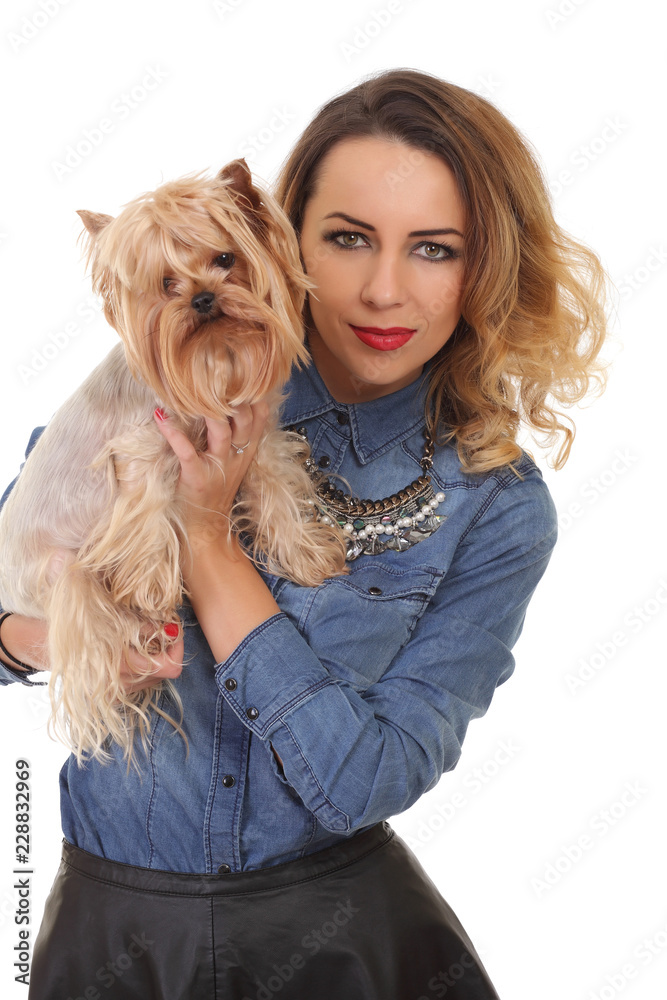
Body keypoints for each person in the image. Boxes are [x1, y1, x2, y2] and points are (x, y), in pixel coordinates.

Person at [0, 69, 607, 999]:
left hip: (338, 941)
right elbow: (10, 581)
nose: (382, 289)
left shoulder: (495, 506)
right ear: (284, 241)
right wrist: (54, 640)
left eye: (435, 249)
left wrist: (208, 540)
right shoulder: (142, 393)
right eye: (348, 239)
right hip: (111, 938)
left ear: (486, 267)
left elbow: (365, 777)